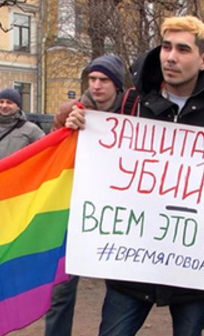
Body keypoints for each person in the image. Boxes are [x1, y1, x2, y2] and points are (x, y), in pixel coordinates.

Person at [63, 16, 204, 336]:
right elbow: (98, 167)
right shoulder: (129, 105)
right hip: (130, 267)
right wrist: (79, 129)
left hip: (192, 271)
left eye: (182, 49)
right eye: (166, 47)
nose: (171, 57)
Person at [45, 54, 126, 336]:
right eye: (92, 79)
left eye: (104, 80)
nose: (96, 85)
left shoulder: (132, 116)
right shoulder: (71, 111)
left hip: (117, 216)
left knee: (120, 293)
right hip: (73, 212)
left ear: (117, 85)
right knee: (61, 291)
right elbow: (51, 153)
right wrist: (67, 127)